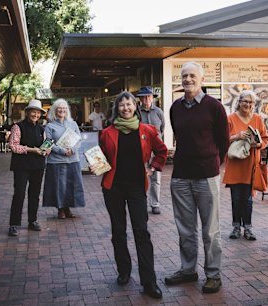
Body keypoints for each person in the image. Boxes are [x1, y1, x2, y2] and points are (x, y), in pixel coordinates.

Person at [165, 62, 229, 294]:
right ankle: (188, 269)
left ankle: (213, 274)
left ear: (202, 79)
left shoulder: (214, 107)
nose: (188, 79)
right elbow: (179, 137)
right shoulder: (175, 107)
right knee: (185, 228)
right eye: (184, 76)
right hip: (181, 175)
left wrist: (212, 162)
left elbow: (223, 142)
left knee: (210, 229)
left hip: (206, 176)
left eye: (192, 75)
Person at [95, 91, 167, 299]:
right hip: (113, 187)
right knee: (118, 231)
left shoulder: (148, 130)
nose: (125, 108)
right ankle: (124, 271)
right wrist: (97, 165)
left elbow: (162, 152)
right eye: (121, 105)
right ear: (116, 108)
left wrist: (153, 168)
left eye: (129, 104)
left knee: (141, 232)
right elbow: (100, 158)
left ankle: (149, 281)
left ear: (135, 106)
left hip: (137, 187)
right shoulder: (107, 133)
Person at [223, 90, 268, 241]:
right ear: (239, 102)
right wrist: (237, 136)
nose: (248, 105)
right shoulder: (230, 119)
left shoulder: (257, 119)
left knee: (248, 199)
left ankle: (248, 228)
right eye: (245, 101)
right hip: (235, 165)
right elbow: (222, 140)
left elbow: (265, 140)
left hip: (251, 165)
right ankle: (236, 227)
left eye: (251, 102)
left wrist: (258, 143)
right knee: (236, 197)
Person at [7, 99, 50, 237]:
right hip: (21, 166)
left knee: (35, 194)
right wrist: (32, 150)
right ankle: (14, 224)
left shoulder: (42, 129)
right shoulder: (17, 127)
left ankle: (33, 220)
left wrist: (47, 150)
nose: (35, 115)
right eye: (33, 112)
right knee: (19, 193)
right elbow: (13, 146)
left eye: (38, 113)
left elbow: (46, 146)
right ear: (27, 112)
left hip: (38, 166)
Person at [42, 99, 86, 219]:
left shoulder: (73, 124)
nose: (62, 110)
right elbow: (48, 143)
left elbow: (79, 139)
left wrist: (73, 150)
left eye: (64, 108)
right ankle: (60, 209)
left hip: (73, 160)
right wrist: (62, 151)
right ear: (55, 110)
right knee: (59, 186)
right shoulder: (49, 126)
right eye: (59, 108)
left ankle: (68, 208)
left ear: (67, 110)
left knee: (71, 185)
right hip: (56, 161)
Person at [136, 86, 165, 215]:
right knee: (140, 176)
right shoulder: (136, 112)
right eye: (143, 97)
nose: (146, 99)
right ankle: (141, 202)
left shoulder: (158, 112)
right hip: (141, 149)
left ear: (152, 97)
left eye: (148, 96)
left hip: (156, 150)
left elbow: (162, 128)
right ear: (140, 99)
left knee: (156, 178)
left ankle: (155, 204)